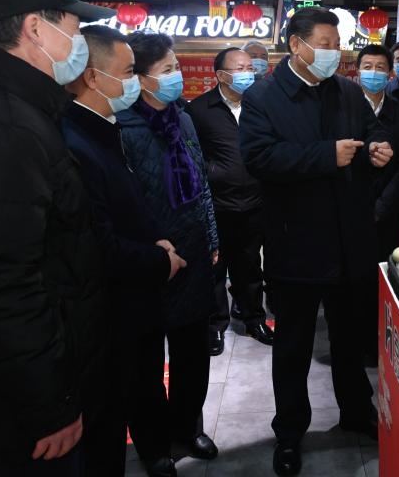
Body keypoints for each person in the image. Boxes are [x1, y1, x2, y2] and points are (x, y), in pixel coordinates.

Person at [238, 7, 394, 477]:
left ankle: (355, 410)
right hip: (296, 243)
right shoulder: (264, 96)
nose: (334, 52)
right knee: (294, 348)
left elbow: (370, 134)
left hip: (350, 240)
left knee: (350, 339)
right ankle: (289, 432)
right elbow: (259, 158)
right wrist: (325, 155)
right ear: (296, 44)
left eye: (337, 42)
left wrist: (377, 147)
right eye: (325, 43)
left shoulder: (347, 91)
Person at [0, 0, 113, 475]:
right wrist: (48, 404)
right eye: (74, 31)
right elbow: (2, 281)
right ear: (36, 28)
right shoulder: (8, 125)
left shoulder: (22, 106)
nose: (78, 44)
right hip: (21, 403)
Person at [61, 25, 186, 476]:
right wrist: (159, 259)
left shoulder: (104, 128)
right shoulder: (74, 142)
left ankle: (157, 446)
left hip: (138, 298)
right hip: (110, 310)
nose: (134, 81)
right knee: (107, 419)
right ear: (93, 77)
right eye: (130, 71)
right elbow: (99, 244)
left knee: (144, 385)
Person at [117, 31, 220, 473]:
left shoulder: (183, 117)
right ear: (139, 80)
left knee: (192, 354)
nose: (177, 76)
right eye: (167, 70)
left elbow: (201, 184)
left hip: (194, 252)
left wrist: (212, 238)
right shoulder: (120, 127)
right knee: (144, 363)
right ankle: (154, 444)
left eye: (177, 67)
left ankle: (186, 426)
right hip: (150, 258)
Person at [187, 47, 273, 356]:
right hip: (217, 205)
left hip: (254, 202)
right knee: (215, 269)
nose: (248, 73)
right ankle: (216, 326)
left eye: (250, 67)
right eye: (240, 68)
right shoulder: (199, 110)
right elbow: (190, 156)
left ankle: (254, 319)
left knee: (250, 266)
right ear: (222, 75)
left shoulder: (261, 106)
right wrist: (213, 172)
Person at [356, 43, 399, 363]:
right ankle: (359, 344)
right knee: (356, 283)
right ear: (357, 71)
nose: (374, 73)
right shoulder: (346, 109)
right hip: (354, 210)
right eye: (368, 66)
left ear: (389, 74)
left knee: (387, 279)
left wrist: (384, 205)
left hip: (390, 211)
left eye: (380, 68)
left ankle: (385, 344)